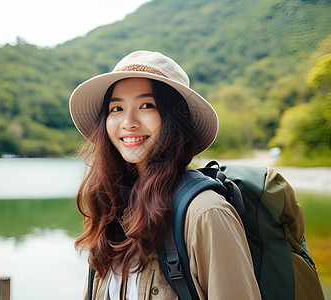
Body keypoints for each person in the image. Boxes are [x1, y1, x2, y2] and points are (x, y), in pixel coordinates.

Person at [69, 50, 261, 299]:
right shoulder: (113, 209)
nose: (128, 122)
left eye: (147, 105)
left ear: (174, 118)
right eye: (116, 108)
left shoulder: (205, 212)